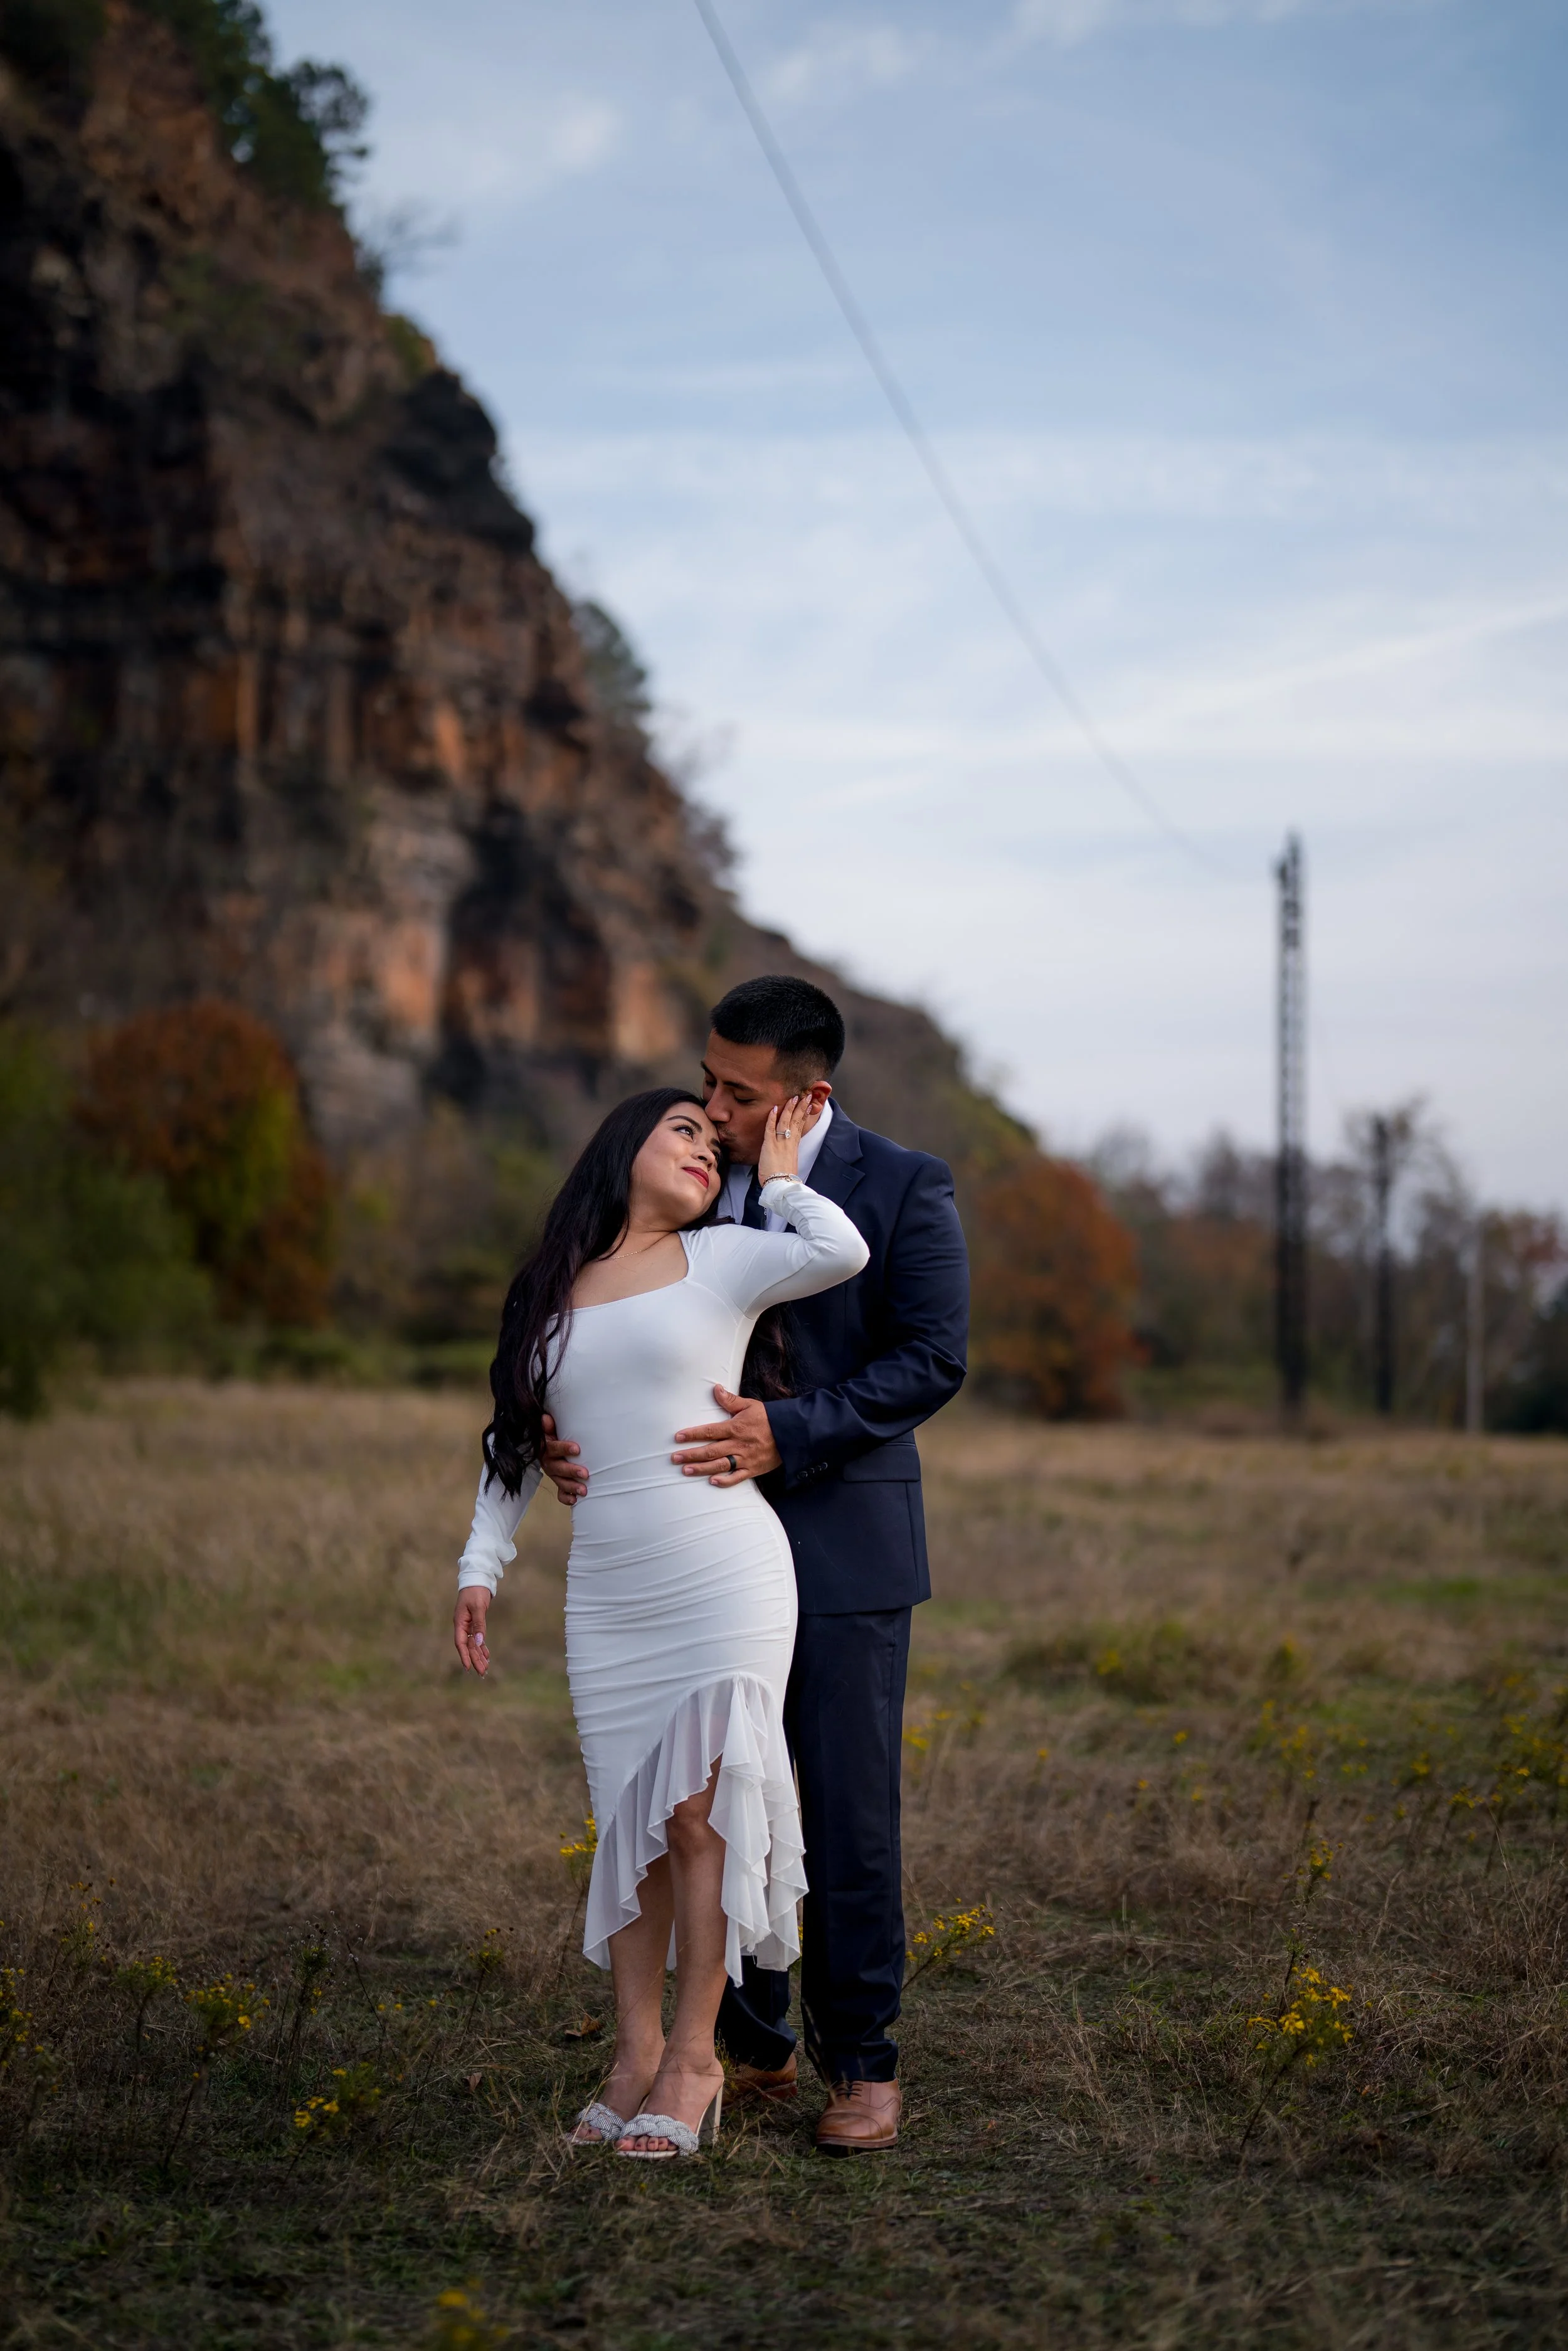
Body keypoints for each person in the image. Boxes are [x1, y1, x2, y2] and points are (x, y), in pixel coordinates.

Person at [540, 978, 970, 2153]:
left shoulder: (904, 1185)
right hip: (686, 1544)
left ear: (806, 1095)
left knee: (839, 1806)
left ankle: (864, 2063)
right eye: (708, 1080)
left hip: (840, 1540)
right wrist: (561, 1435)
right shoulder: (689, 1175)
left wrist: (797, 1430)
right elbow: (611, 1320)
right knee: (699, 1799)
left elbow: (934, 1357)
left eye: (738, 1093)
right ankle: (743, 2040)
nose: (712, 1107)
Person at [453, 1085, 868, 2159]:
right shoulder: (547, 1292)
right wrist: (481, 1567)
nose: (704, 1145)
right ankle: (633, 2057)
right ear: (620, 1149)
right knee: (630, 1828)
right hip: (608, 1591)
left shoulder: (731, 1254)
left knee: (695, 1815)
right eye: (682, 1127)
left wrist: (776, 1181)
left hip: (722, 1566)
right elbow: (516, 1441)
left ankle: (694, 2060)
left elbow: (843, 1249)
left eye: (711, 1137)